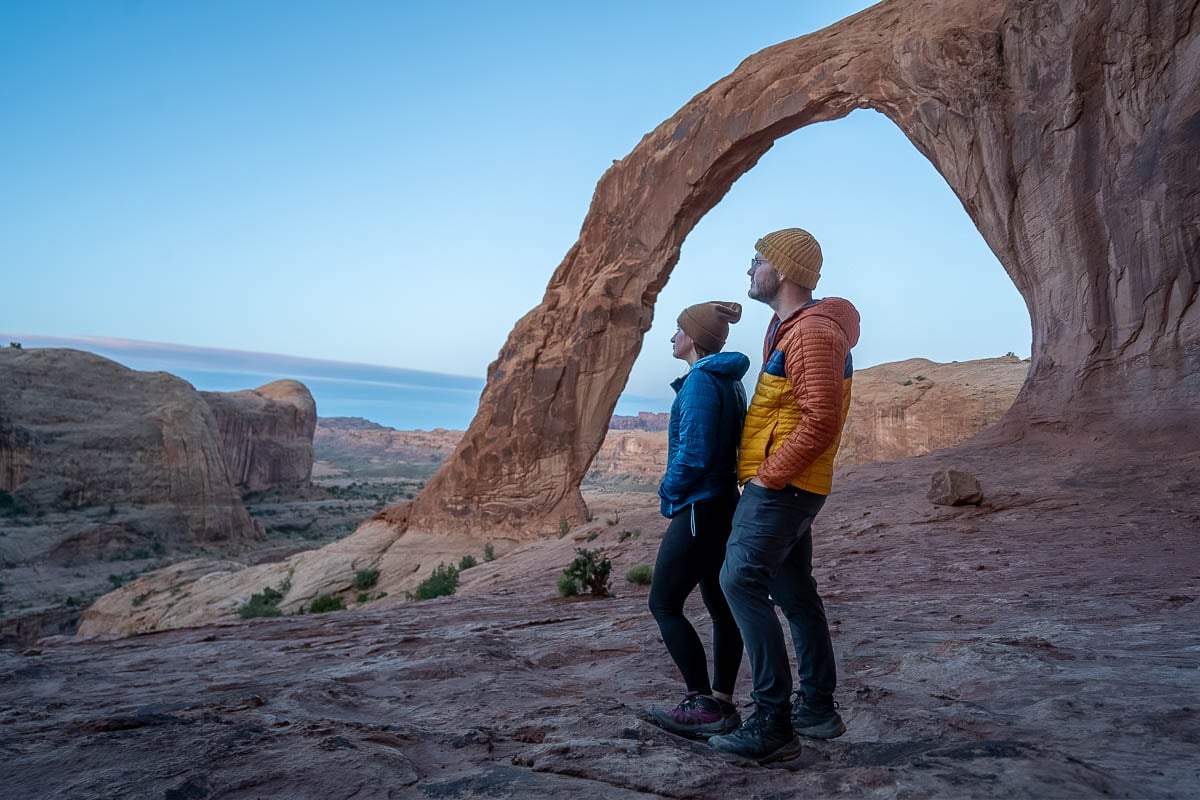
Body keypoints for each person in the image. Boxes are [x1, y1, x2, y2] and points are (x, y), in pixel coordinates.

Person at [708, 228, 860, 764]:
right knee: (794, 593)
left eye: (757, 261)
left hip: (785, 486)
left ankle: (772, 723)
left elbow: (820, 419)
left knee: (738, 580)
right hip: (791, 484)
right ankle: (816, 708)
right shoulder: (787, 324)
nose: (749, 269)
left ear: (784, 268)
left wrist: (768, 476)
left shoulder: (813, 333)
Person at [647, 301, 750, 739]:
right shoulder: (729, 382)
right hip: (724, 503)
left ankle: (700, 701)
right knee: (721, 607)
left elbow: (694, 454)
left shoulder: (700, 384)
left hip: (699, 506)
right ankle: (722, 704)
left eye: (677, 330)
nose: (672, 338)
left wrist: (669, 495)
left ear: (693, 338)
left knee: (664, 603)